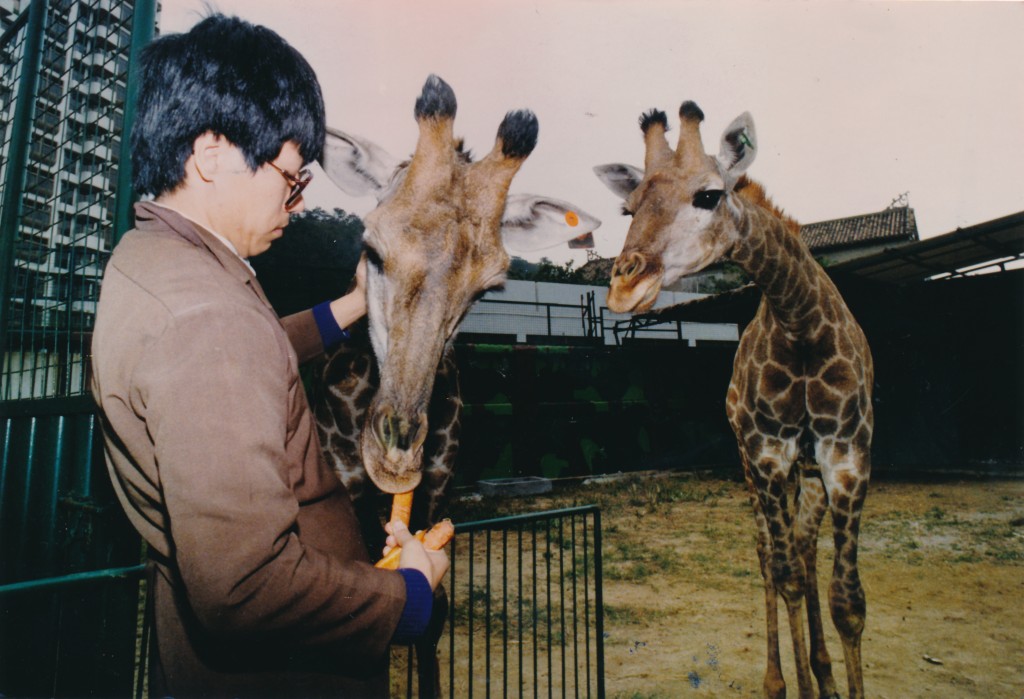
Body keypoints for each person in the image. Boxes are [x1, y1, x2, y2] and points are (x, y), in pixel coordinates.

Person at [90, 13, 448, 697]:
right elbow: (246, 585)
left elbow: (243, 366)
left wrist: (347, 309)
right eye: (289, 176)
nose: (294, 200)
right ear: (212, 154)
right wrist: (409, 595)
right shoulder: (208, 319)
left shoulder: (155, 262)